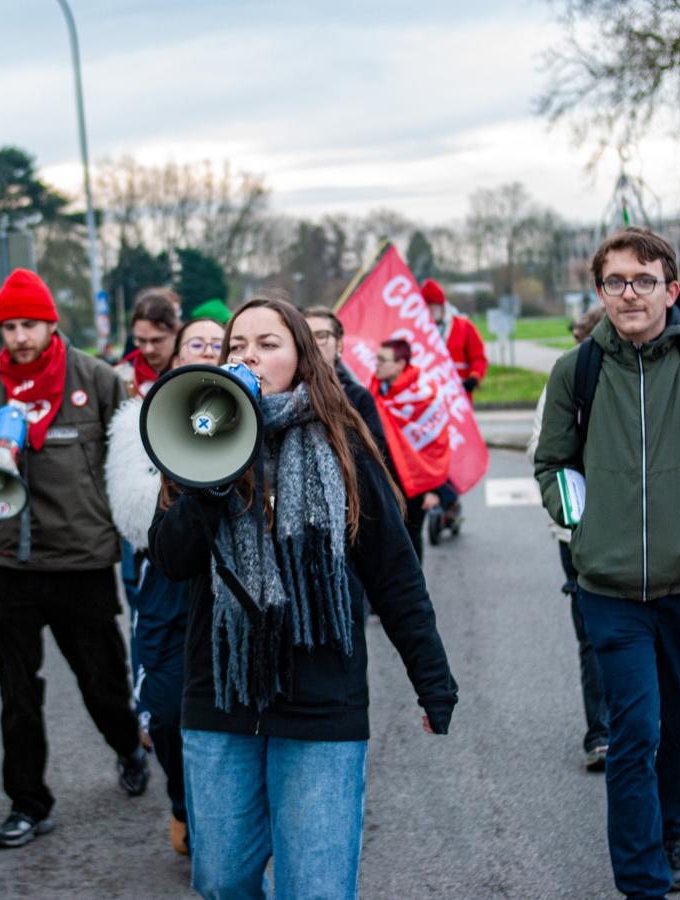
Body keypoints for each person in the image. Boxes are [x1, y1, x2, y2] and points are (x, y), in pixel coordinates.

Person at [149, 296, 457, 900]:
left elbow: (395, 574)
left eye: (268, 344)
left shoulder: (342, 444)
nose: (250, 357)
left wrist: (433, 680)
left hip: (321, 698)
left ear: (301, 358)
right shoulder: (195, 439)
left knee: (316, 888)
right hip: (222, 693)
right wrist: (209, 482)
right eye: (238, 346)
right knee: (221, 879)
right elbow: (170, 558)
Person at [534, 227, 680, 898]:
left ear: (671, 290)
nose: (630, 294)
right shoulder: (577, 371)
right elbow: (552, 464)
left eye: (644, 281)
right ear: (600, 292)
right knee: (634, 731)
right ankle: (642, 879)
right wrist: (582, 525)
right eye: (616, 281)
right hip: (609, 591)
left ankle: (671, 828)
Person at [0, 268, 147, 850]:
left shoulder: (95, 379)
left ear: (51, 324)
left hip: (82, 561)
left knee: (103, 683)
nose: (19, 337)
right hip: (14, 565)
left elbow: (131, 454)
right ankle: (28, 803)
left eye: (29, 325)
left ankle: (128, 746)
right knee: (18, 696)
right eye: (9, 327)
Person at [106, 315, 226, 857]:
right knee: (167, 710)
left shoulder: (252, 414)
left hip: (230, 581)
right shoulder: (139, 419)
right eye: (195, 343)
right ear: (176, 359)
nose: (207, 350)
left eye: (219, 344)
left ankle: (225, 817)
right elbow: (133, 514)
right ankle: (182, 801)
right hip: (168, 577)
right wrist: (189, 469)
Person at [528, 305, 609, 772]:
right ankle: (602, 732)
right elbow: (542, 451)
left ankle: (627, 728)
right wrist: (571, 512)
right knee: (593, 632)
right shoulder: (569, 377)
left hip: (643, 531)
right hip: (579, 531)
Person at [370, 338, 447, 562]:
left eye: (382, 360)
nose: (376, 364)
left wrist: (433, 490)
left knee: (411, 537)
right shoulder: (375, 389)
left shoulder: (423, 395)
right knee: (385, 539)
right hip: (384, 478)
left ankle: (415, 581)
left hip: (414, 485)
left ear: (400, 364)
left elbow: (435, 445)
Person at [301, 305, 387, 456]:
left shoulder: (359, 398)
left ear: (339, 345)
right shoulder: (284, 391)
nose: (312, 343)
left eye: (321, 335)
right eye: (306, 336)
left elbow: (376, 450)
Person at [422, 278, 487, 392]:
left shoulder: (464, 326)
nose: (430, 311)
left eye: (433, 306)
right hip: (429, 393)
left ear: (442, 306)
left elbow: (478, 356)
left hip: (460, 393)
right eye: (427, 307)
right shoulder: (420, 331)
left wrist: (474, 377)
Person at [114, 288, 181, 397]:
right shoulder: (119, 378)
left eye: (157, 340)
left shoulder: (195, 372)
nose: (148, 349)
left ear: (175, 333)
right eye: (141, 340)